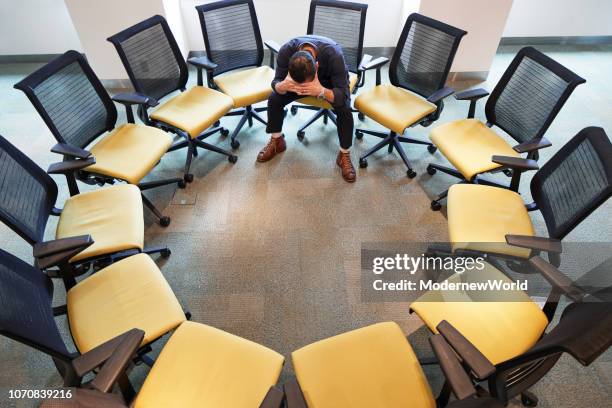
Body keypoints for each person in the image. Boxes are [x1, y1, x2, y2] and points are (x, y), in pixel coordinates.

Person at [257, 35, 356, 182]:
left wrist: (321, 91)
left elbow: (343, 95)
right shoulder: (286, 51)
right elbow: (276, 81)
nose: (304, 89)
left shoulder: (334, 55)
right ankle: (277, 141)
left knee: (344, 109)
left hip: (328, 83)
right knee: (275, 98)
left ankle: (344, 155)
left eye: (305, 85)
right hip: (293, 83)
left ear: (317, 66)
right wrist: (281, 86)